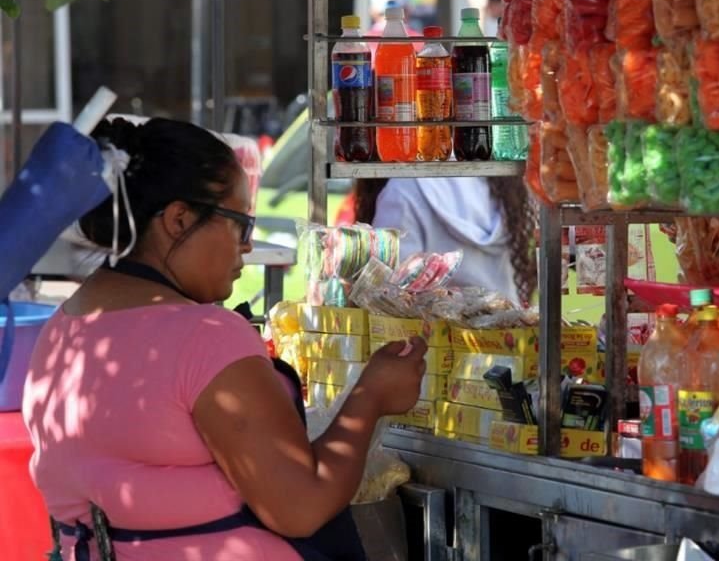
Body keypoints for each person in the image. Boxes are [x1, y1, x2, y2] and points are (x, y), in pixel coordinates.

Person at [21, 117, 426, 560]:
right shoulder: (204, 338)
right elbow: (301, 507)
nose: (247, 246)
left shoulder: (60, 330)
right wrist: (369, 398)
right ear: (179, 219)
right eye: (240, 224)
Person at [352, 176, 537, 305]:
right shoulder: (501, 183)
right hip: (506, 346)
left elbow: (384, 295)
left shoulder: (403, 191)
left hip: (430, 352)